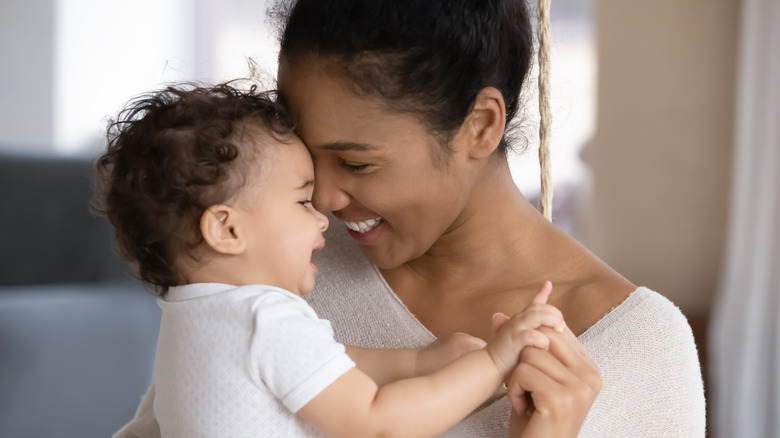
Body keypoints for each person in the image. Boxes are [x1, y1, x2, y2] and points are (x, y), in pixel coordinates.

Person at [115, 0, 706, 436]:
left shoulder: (637, 348)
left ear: (480, 125)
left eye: (355, 162)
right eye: (304, 154)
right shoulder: (273, 268)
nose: (321, 198)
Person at [95, 82, 569, 438]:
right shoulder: (264, 315)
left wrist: (421, 361)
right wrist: (494, 360)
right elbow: (378, 420)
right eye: (302, 201)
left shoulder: (191, 316)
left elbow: (329, 362)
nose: (323, 213)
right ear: (227, 229)